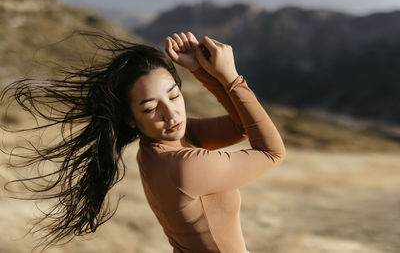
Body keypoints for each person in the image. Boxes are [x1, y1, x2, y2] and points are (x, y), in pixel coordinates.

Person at [0, 31, 285, 252]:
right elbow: (272, 152)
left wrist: (202, 72)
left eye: (174, 96)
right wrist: (230, 78)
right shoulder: (182, 166)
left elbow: (241, 127)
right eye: (150, 108)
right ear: (131, 119)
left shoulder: (165, 143)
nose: (171, 113)